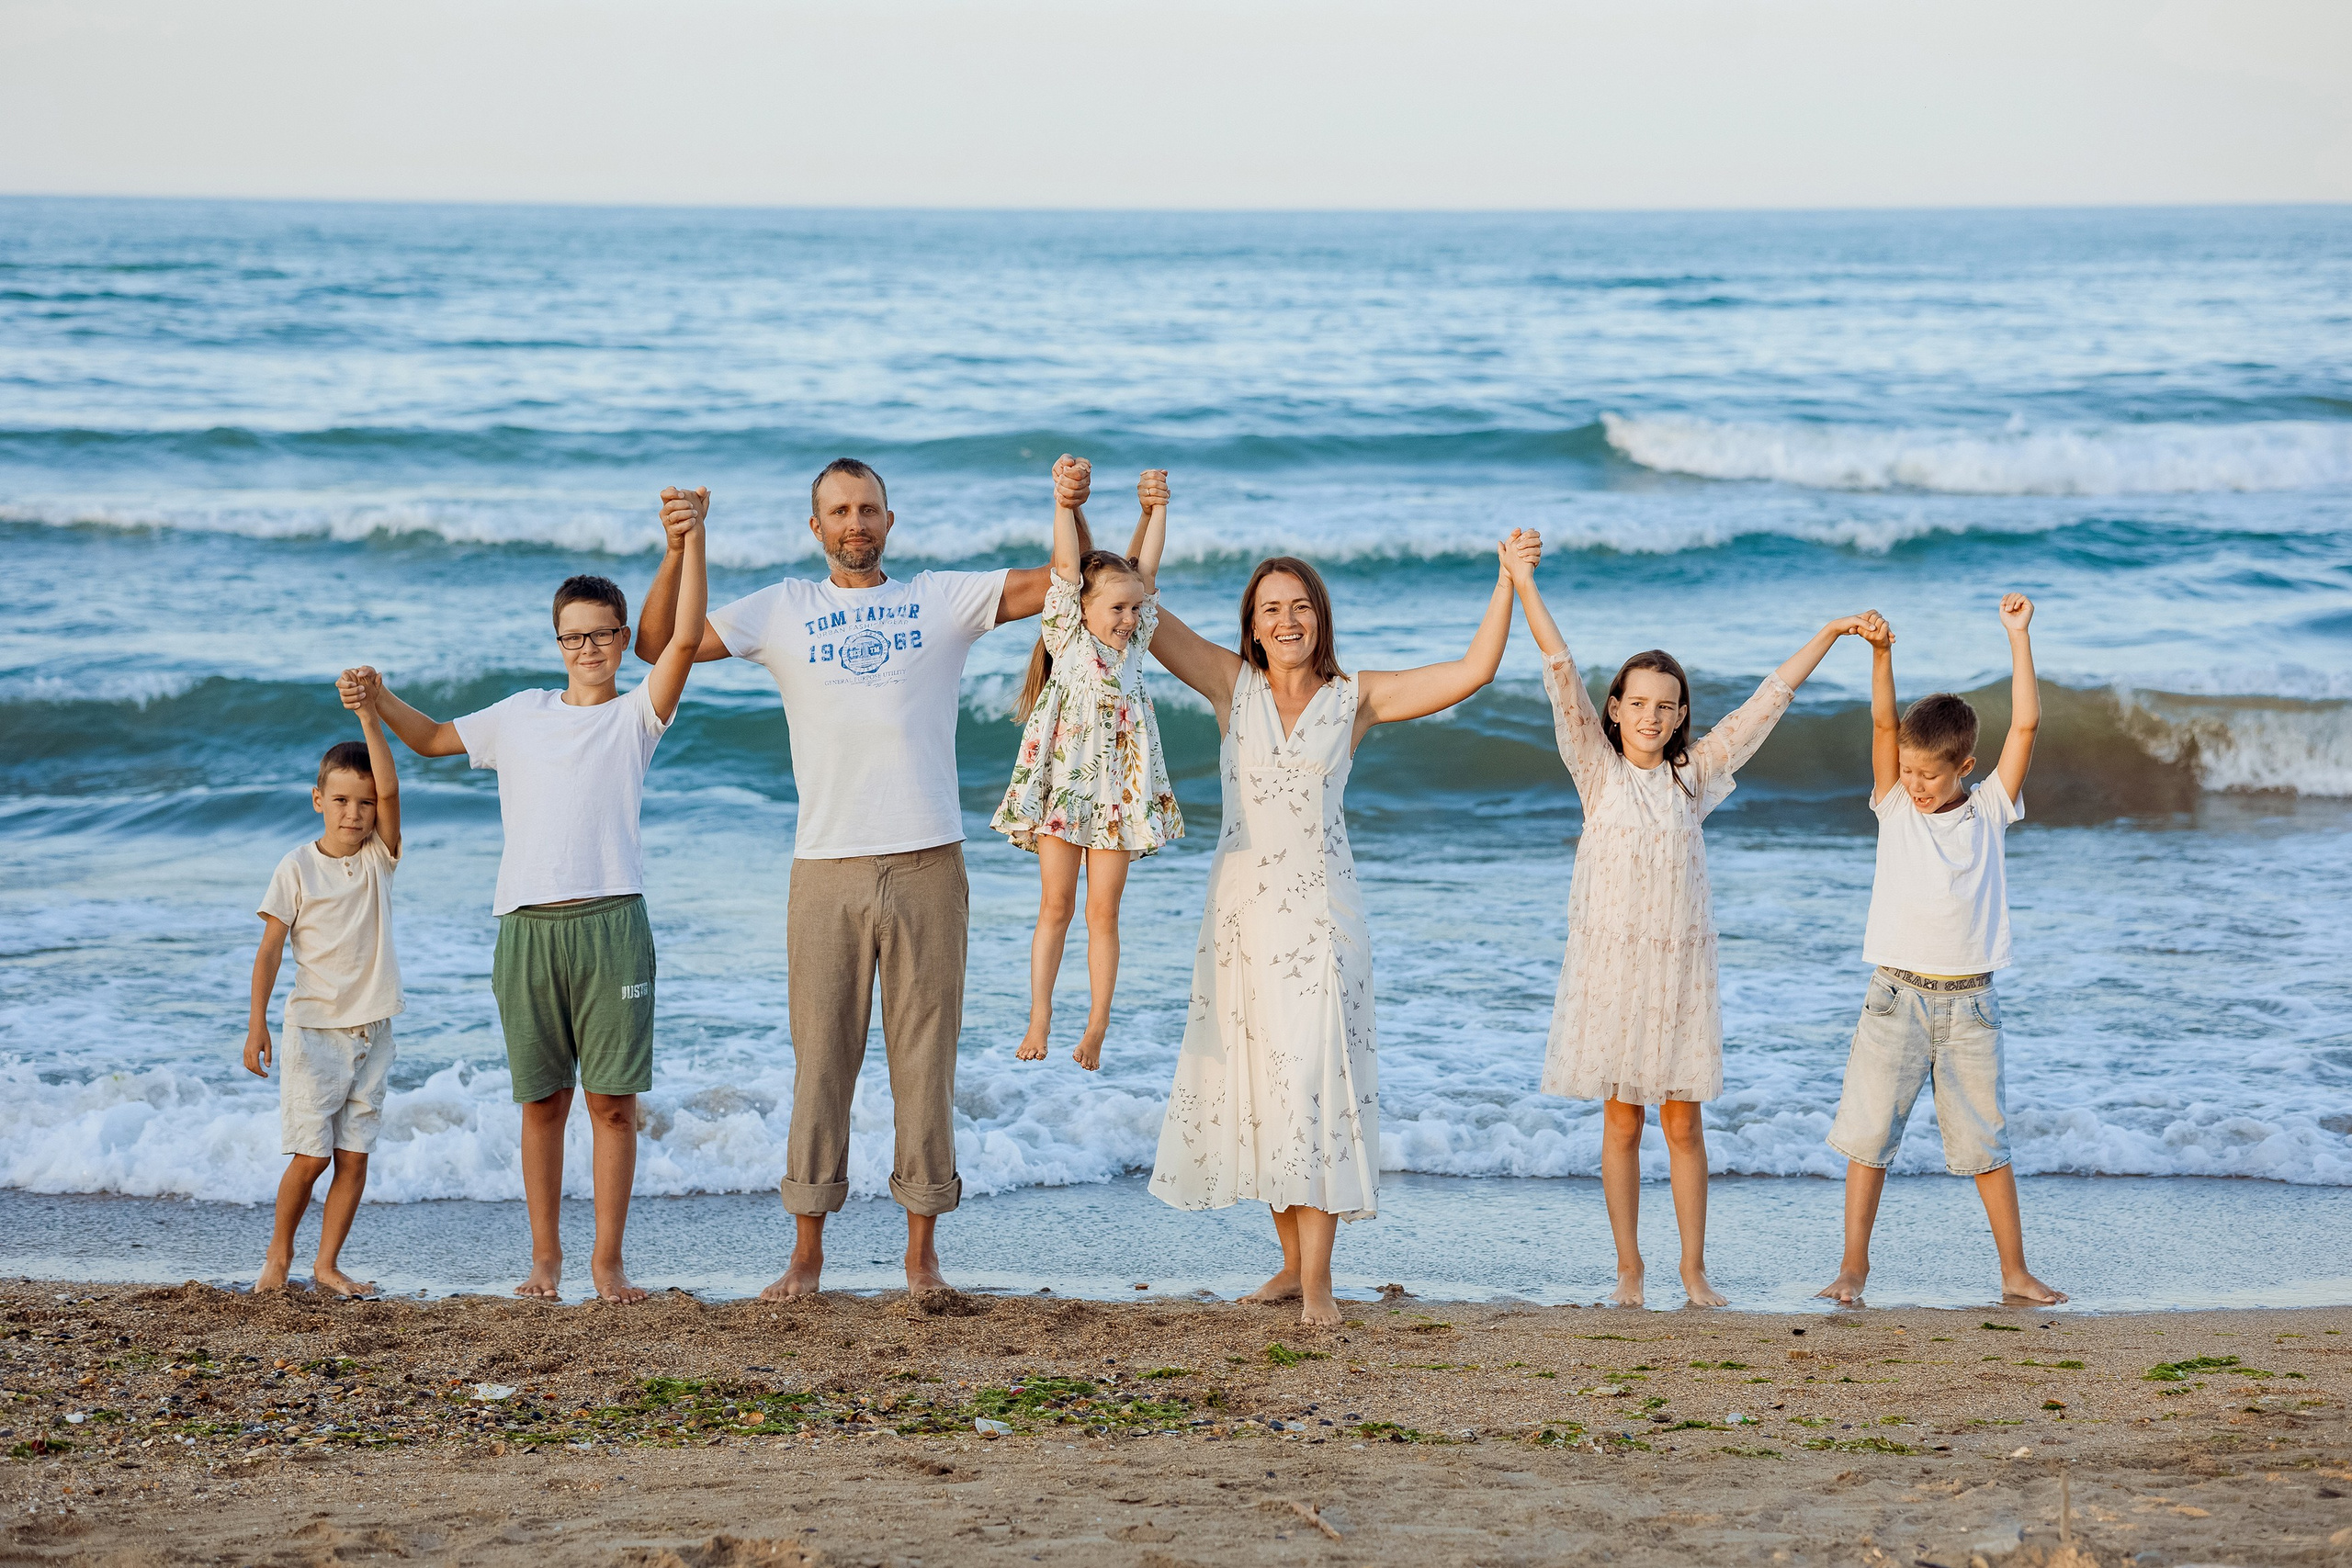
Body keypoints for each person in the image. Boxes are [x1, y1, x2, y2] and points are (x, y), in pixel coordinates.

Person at [633, 461, 1054, 1299]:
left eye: (867, 509)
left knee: (923, 1062)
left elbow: (1066, 586)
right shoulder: (783, 609)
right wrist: (683, 546)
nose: (854, 522)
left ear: (889, 521)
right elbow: (655, 645)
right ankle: (806, 1252)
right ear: (815, 527)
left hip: (931, 858)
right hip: (825, 866)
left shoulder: (940, 598)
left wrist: (1065, 506)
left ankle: (922, 1253)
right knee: (821, 1060)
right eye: (838, 511)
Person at [1144, 536, 1521, 1327]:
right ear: (1251, 625)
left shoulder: (1356, 698)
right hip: (1241, 916)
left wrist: (1506, 579)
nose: (1287, 620)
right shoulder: (1230, 685)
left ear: (1321, 619)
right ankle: (1289, 1263)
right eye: (1271, 609)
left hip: (1323, 920)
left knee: (1312, 1088)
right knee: (1263, 1088)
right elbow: (1138, 607)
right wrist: (1142, 518)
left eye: (1300, 606)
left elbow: (1473, 671)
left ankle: (1319, 1283)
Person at [1506, 529, 1877, 1308]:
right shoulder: (1596, 770)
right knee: (1621, 1125)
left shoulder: (1694, 777)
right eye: (1637, 703)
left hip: (1677, 979)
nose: (1651, 715)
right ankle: (1629, 1268)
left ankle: (1693, 1267)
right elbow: (1558, 671)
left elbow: (1766, 705)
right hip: (1612, 974)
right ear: (1616, 708)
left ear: (1680, 717)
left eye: (1666, 706)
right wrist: (1522, 582)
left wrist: (1831, 633)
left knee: (1682, 1126)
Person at [355, 491, 708, 1303]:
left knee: (613, 1104)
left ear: (623, 640)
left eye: (603, 634)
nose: (589, 647)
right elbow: (434, 740)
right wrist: (378, 698)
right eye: (574, 635)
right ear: (558, 641)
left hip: (613, 924)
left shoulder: (636, 715)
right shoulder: (519, 714)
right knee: (541, 1101)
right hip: (526, 929)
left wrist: (689, 544)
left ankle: (607, 1265)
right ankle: (545, 1263)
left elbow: (686, 635)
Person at [1817, 595, 2065, 1306]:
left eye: (1930, 773)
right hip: (1894, 994)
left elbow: (2027, 722)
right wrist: (1881, 653)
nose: (1916, 784)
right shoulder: (1894, 802)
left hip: (1970, 1006)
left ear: (1965, 765)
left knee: (1987, 1145)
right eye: (1908, 770)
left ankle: (2014, 1273)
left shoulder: (1990, 809)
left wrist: (2018, 637)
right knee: (1869, 1141)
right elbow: (1884, 722)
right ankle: (1853, 1270)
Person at [992, 457, 1181, 1070]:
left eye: (1133, 610)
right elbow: (1069, 565)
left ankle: (1097, 1022)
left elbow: (1144, 574)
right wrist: (1062, 503)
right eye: (1117, 609)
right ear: (1084, 607)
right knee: (1057, 907)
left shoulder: (1136, 638)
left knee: (1104, 912)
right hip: (1062, 793)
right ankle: (1041, 1012)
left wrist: (1158, 510)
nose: (1128, 620)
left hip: (1119, 797)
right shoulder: (1069, 636)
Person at [243, 703, 404, 1296]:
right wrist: (256, 1023)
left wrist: (369, 716)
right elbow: (268, 951)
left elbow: (390, 785)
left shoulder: (378, 860)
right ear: (319, 800)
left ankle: (327, 1264)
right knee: (310, 1157)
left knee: (354, 1157)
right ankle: (278, 1257)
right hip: (313, 1033)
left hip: (373, 1032)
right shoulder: (296, 867)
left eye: (364, 803)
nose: (354, 812)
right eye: (341, 800)